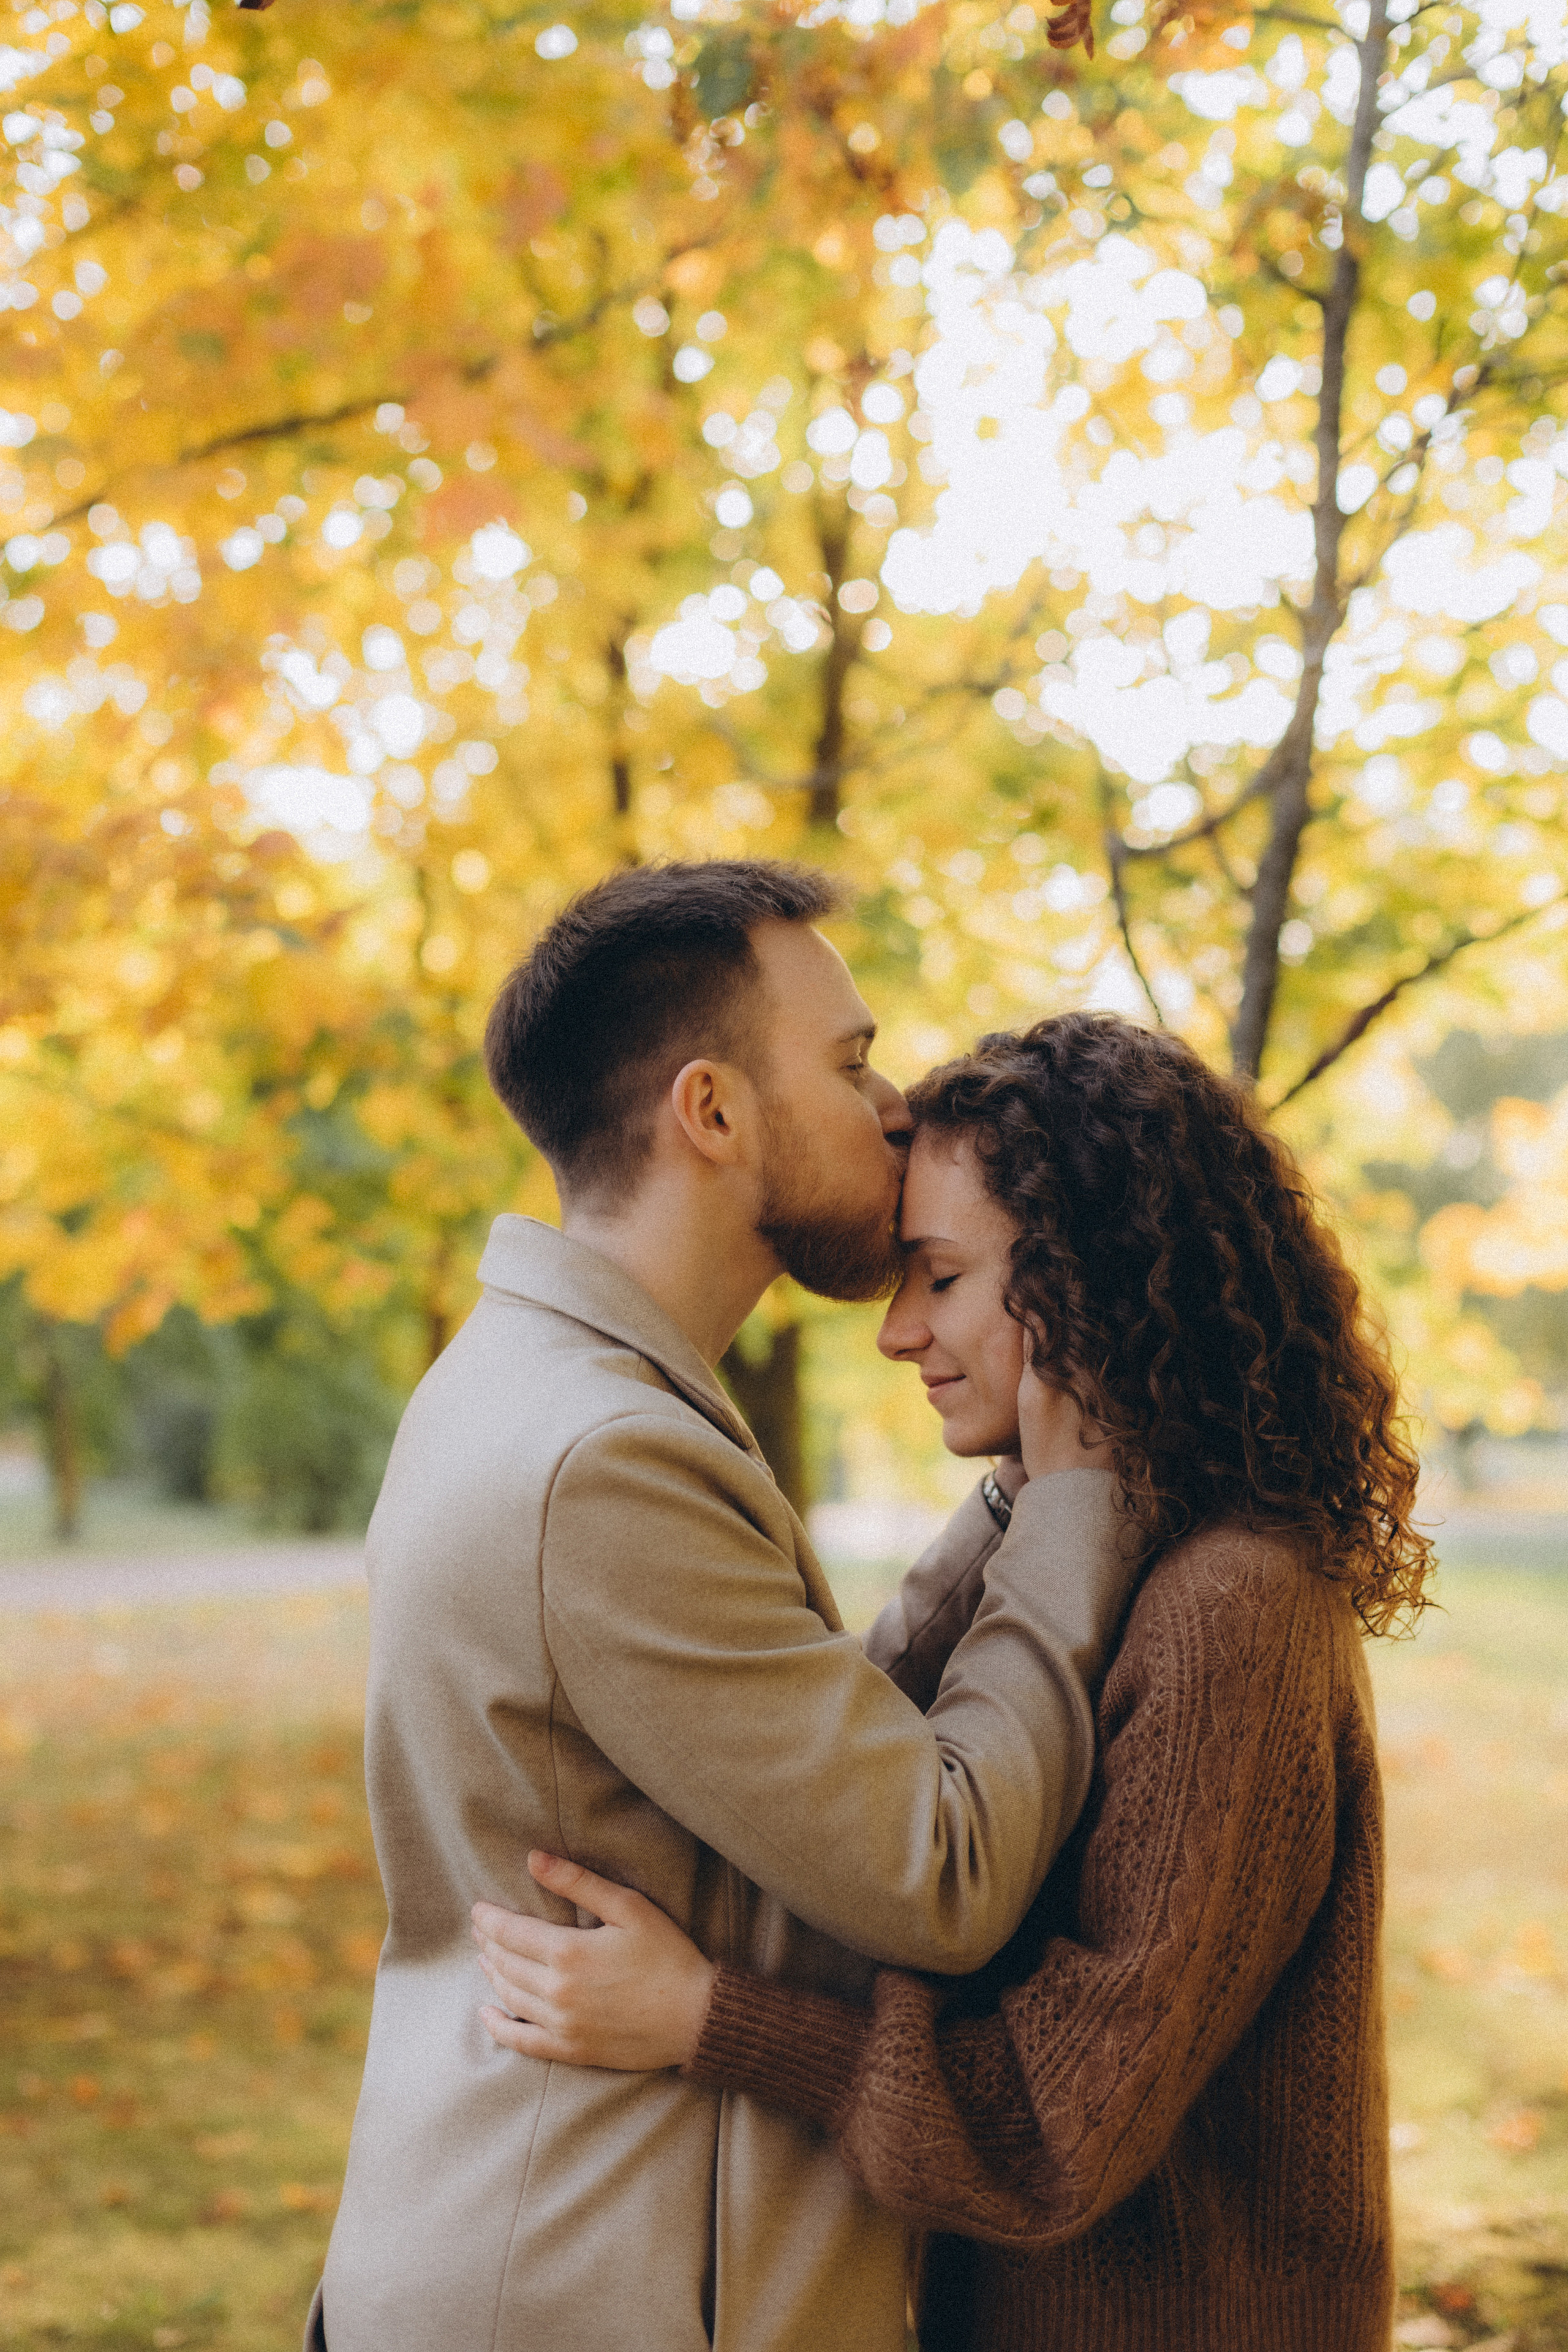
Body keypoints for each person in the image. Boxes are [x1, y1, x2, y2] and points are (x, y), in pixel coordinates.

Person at [472, 1011, 1436, 2352]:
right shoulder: (1094, 1540)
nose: (896, 1333)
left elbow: (1055, 2119)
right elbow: (888, 1763)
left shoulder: (1231, 1603)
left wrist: (708, 2019)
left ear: (1082, 1286)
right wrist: (1031, 1496)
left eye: (937, 1278)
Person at [312, 865, 1142, 2352]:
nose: (892, 1107)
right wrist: (1072, 1507)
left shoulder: (521, 1384)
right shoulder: (603, 1462)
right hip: (596, 2287)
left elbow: (785, 1741)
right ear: (711, 1112)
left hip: (512, 2242)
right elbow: (937, 1870)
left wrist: (1009, 1497)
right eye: (845, 1063)